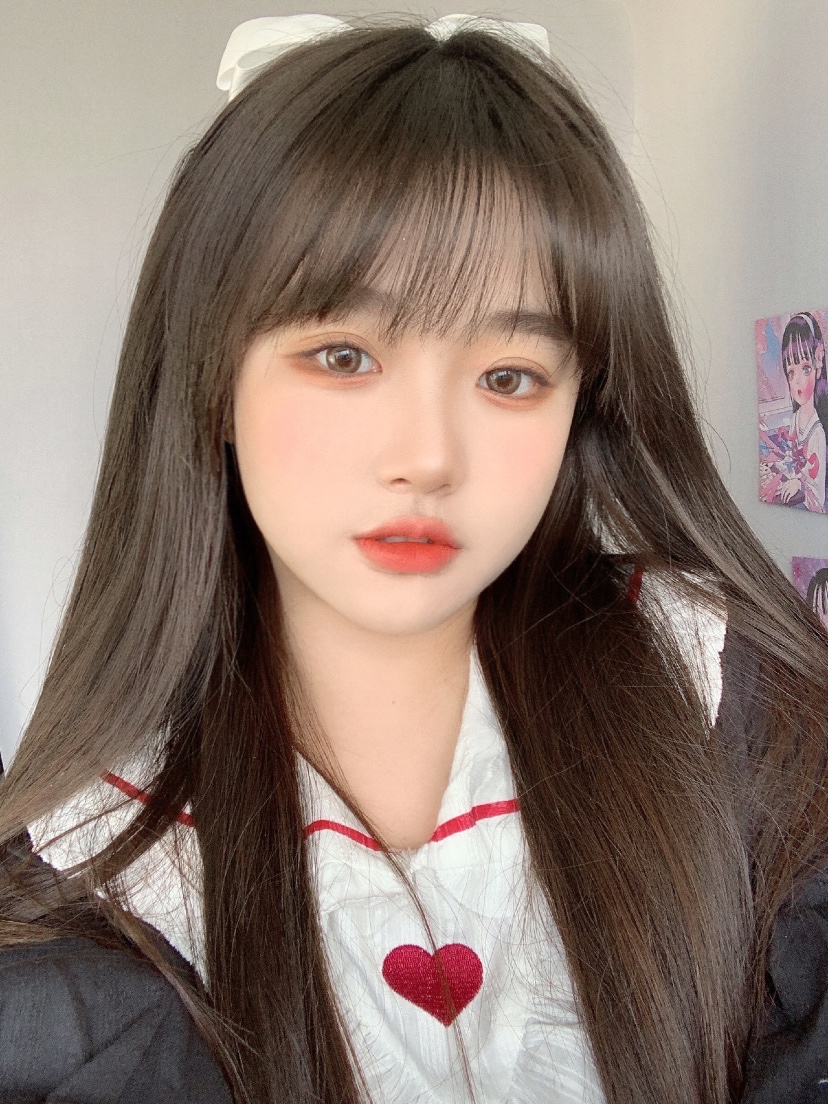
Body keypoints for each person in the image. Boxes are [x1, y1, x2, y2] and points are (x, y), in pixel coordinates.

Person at [2, 12, 828, 1104]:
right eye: (344, 356)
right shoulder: (100, 877)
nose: (429, 457)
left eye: (510, 377)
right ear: (211, 382)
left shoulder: (730, 705)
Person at [759, 311, 828, 513]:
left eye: (805, 369)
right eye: (791, 372)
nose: (797, 381)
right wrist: (781, 468)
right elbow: (791, 455)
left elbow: (815, 483)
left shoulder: (818, 431)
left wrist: (799, 482)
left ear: (818, 362)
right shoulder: (796, 418)